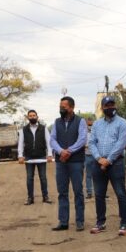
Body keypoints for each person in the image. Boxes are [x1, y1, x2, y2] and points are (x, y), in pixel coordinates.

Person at [89, 96, 126, 235]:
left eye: (112, 104)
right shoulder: (96, 124)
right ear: (102, 108)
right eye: (107, 105)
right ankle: (100, 223)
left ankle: (124, 223)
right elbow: (92, 142)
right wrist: (98, 158)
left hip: (116, 163)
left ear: (115, 105)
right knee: (99, 194)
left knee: (120, 194)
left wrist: (109, 159)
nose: (110, 107)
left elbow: (121, 144)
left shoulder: (122, 123)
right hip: (98, 163)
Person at [48, 96, 87, 231]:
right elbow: (52, 140)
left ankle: (80, 221)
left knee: (78, 192)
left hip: (76, 162)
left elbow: (82, 140)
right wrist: (60, 151)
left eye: (64, 107)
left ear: (71, 108)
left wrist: (68, 151)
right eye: (60, 107)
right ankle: (63, 222)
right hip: (61, 163)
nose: (61, 109)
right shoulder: (56, 122)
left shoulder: (80, 121)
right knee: (62, 193)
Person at [18, 109, 53, 205]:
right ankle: (30, 198)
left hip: (41, 156)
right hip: (29, 157)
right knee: (29, 178)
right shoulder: (23, 129)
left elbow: (48, 141)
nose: (32, 117)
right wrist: (20, 156)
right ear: (27, 117)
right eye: (30, 116)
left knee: (43, 178)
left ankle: (45, 197)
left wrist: (49, 154)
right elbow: (20, 143)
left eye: (34, 115)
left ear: (37, 117)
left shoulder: (43, 128)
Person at [84, 117, 95, 199]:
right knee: (88, 175)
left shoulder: (96, 131)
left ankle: (100, 191)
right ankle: (89, 192)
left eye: (91, 121)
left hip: (96, 156)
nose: (89, 122)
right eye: (88, 121)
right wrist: (85, 146)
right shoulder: (83, 132)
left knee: (98, 175)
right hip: (87, 155)